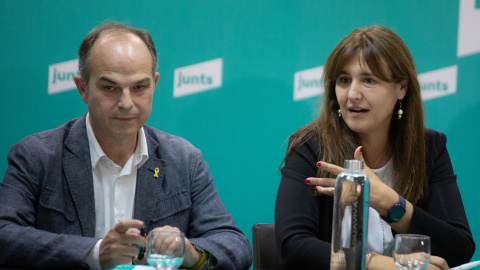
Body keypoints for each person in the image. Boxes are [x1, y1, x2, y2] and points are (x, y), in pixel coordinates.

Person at [0, 22, 252, 270]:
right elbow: (5, 234)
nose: (126, 102)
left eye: (139, 87)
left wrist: (189, 252)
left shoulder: (184, 159)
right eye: (110, 88)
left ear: (154, 84)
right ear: (83, 89)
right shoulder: (37, 155)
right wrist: (95, 253)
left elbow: (234, 245)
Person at [275, 25, 475, 270]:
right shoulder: (311, 147)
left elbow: (459, 250)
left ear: (401, 87)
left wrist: (390, 202)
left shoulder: (429, 148)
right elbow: (293, 247)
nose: (352, 94)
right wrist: (379, 264)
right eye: (344, 80)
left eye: (369, 80)